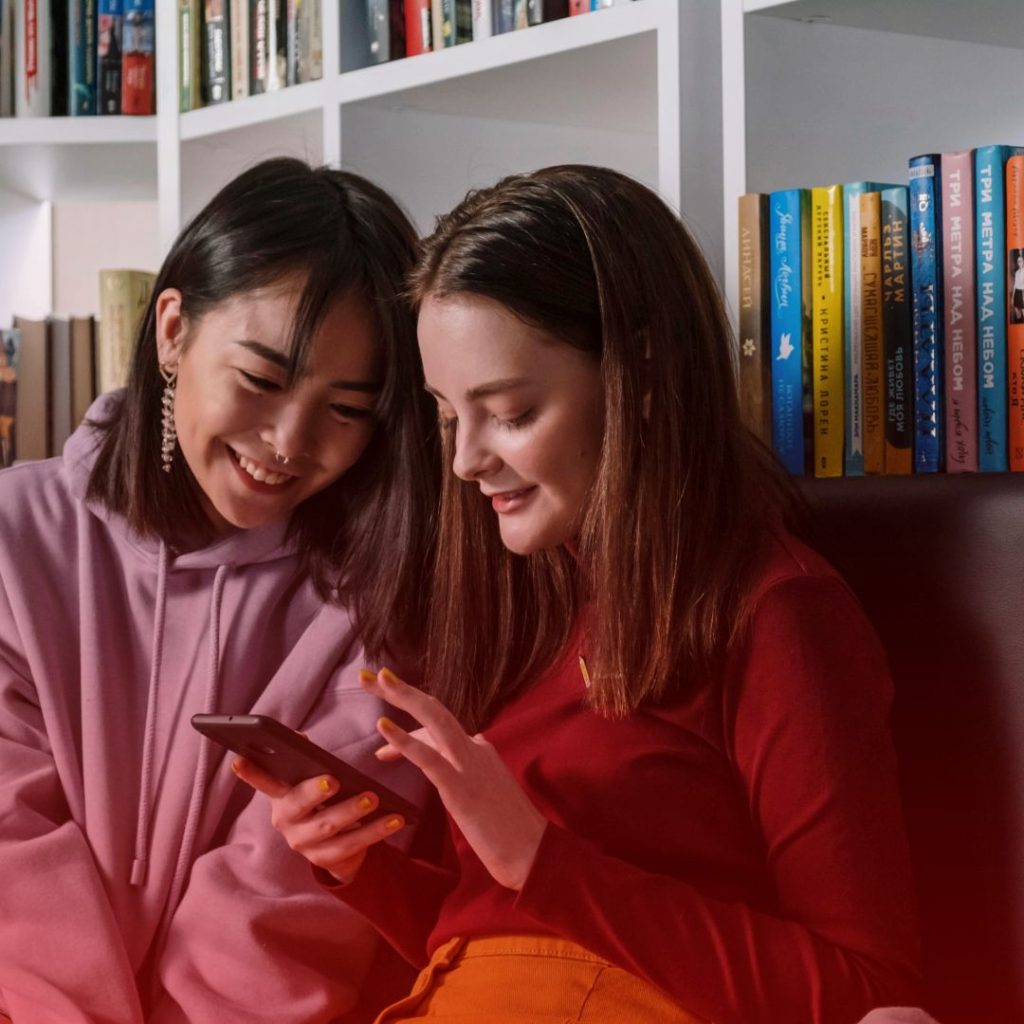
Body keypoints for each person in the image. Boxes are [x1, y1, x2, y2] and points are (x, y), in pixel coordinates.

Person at [239, 165, 922, 1023]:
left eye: (512, 412)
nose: (465, 461)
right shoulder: (522, 606)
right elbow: (501, 941)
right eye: (449, 416)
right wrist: (359, 866)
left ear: (636, 379)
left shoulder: (778, 613)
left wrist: (540, 859)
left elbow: (868, 991)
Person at [0, 157, 439, 1023]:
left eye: (347, 410)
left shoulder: (382, 597)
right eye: (263, 380)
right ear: (172, 330)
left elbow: (281, 914)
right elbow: (12, 851)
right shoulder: (15, 538)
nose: (289, 440)